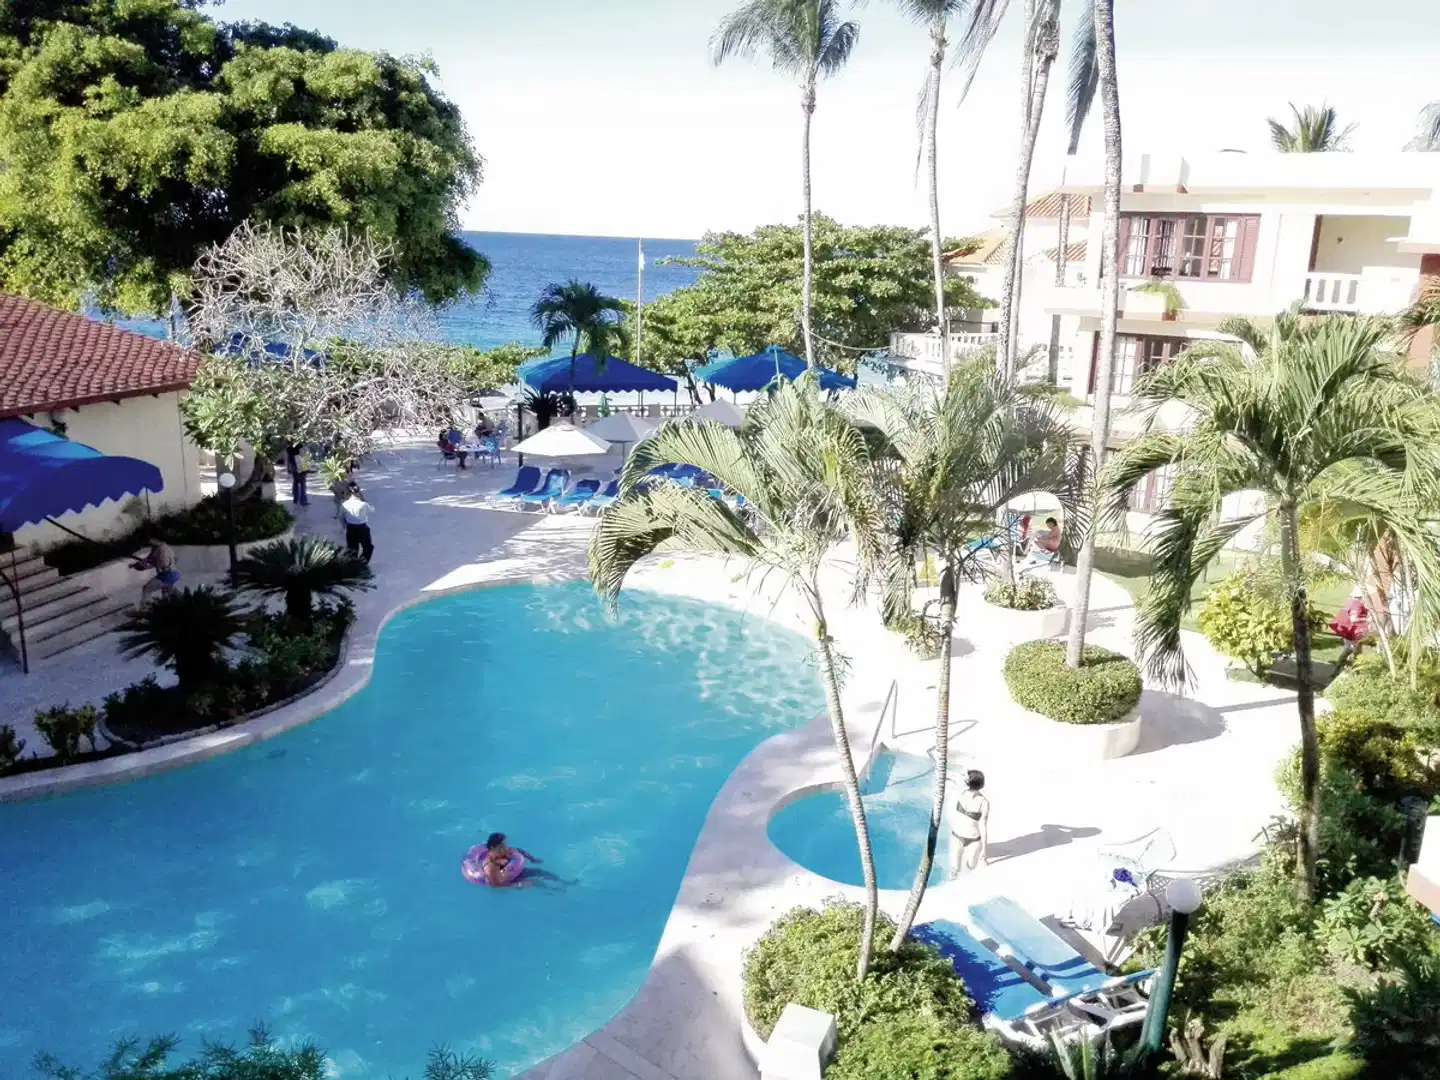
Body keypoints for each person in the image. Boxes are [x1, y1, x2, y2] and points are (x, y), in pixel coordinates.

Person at [482, 832, 573, 891]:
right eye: (502, 846)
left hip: (515, 872)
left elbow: (519, 851)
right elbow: (496, 887)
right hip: (509, 881)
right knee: (536, 882)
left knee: (539, 872)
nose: (506, 847)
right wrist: (519, 885)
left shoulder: (503, 851)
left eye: (505, 844)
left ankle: (565, 882)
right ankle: (555, 891)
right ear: (493, 848)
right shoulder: (491, 867)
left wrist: (533, 859)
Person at [948, 770, 990, 878]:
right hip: (956, 836)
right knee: (955, 868)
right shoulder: (961, 792)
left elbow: (983, 826)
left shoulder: (983, 802)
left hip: (974, 840)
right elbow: (955, 779)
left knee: (971, 865)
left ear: (969, 782)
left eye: (967, 778)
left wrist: (984, 851)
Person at [1330, 590, 1371, 668]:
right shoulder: (1357, 605)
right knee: (1356, 653)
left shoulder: (1350, 602)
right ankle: (1355, 670)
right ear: (1361, 597)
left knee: (1348, 650)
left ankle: (1339, 668)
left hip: (1347, 631)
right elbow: (1353, 619)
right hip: (1353, 633)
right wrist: (1366, 620)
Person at [340, 482, 375, 563]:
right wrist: (363, 499)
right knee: (368, 548)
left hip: (351, 528)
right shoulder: (363, 504)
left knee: (352, 550)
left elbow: (341, 517)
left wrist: (344, 526)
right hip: (362, 528)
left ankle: (352, 566)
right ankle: (362, 563)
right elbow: (372, 510)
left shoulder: (345, 504)